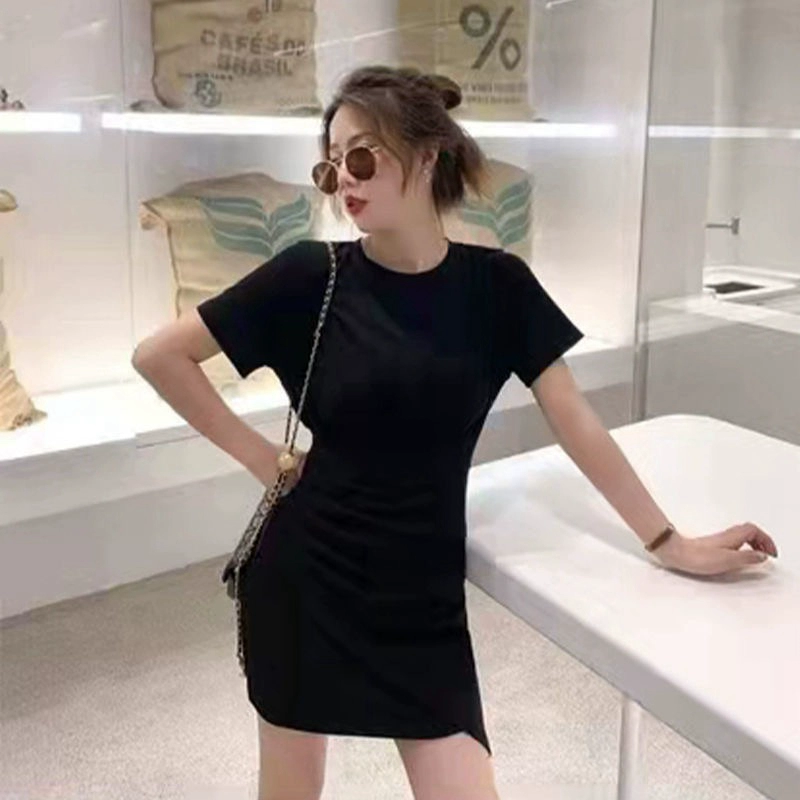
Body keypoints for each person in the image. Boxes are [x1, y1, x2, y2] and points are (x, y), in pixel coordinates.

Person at [132, 65, 778, 800]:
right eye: (331, 165)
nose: (344, 181)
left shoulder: (498, 286)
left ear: (428, 154)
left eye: (362, 157)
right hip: (308, 579)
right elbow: (160, 357)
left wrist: (669, 541)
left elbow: (576, 421)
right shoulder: (312, 275)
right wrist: (266, 460)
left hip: (422, 596)